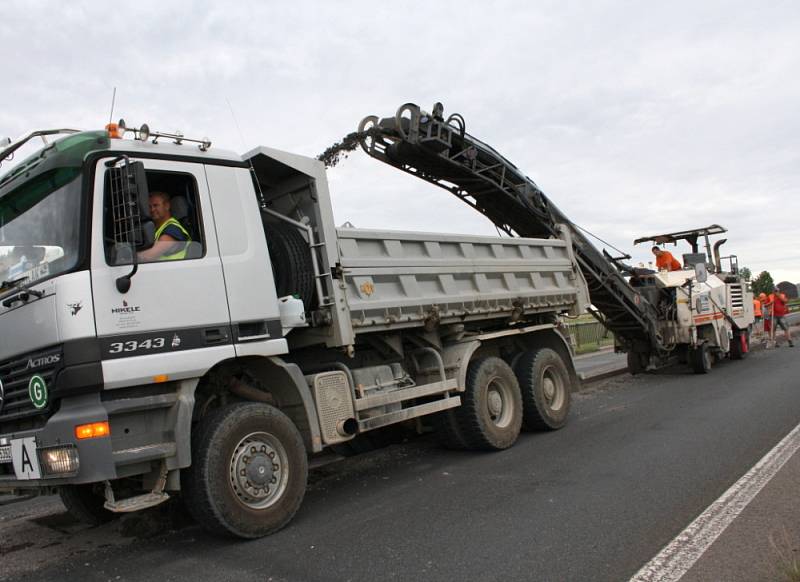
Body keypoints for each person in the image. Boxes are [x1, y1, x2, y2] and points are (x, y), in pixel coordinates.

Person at [137, 191, 191, 262]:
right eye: (149, 207)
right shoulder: (158, 229)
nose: (152, 210)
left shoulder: (173, 229)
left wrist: (129, 256)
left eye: (156, 205)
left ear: (167, 206)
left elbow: (148, 256)